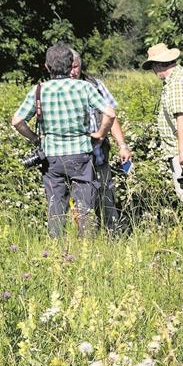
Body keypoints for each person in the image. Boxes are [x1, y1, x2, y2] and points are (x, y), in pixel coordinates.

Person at [11, 44, 116, 238]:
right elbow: (109, 113)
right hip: (81, 155)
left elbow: (17, 121)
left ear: (47, 67)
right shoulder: (84, 87)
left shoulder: (39, 90)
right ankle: (87, 247)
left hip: (51, 157)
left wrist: (35, 139)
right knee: (85, 207)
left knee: (55, 206)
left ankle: (56, 248)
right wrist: (100, 134)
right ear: (70, 65)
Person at [142, 43, 183, 230]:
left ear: (158, 65)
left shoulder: (177, 82)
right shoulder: (180, 76)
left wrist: (181, 153)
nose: (154, 71)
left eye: (153, 67)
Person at [69, 50, 132, 233]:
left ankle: (113, 235)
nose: (73, 72)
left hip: (98, 155)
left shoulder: (95, 85)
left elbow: (111, 116)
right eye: (69, 67)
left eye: (76, 66)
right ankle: (87, 240)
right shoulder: (57, 89)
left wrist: (122, 145)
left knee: (107, 196)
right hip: (73, 158)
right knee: (81, 202)